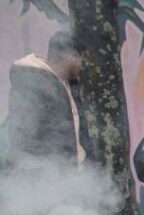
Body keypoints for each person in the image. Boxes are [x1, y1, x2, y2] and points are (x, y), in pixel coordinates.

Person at [7, 30, 90, 166]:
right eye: (82, 58)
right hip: (45, 173)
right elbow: (25, 139)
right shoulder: (32, 84)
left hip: (69, 173)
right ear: (71, 56)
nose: (82, 65)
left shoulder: (68, 84)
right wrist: (55, 172)